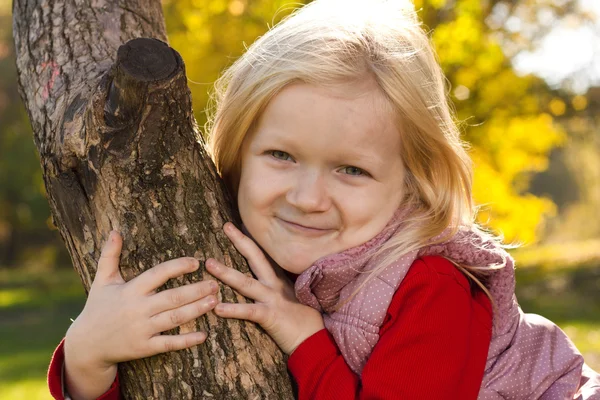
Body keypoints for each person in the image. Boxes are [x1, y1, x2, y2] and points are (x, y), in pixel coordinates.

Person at [48, 0, 600, 399]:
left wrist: (305, 340)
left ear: (413, 180)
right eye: (281, 156)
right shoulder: (249, 252)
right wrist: (88, 357)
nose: (309, 197)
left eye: (352, 169)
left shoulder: (431, 286)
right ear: (237, 151)